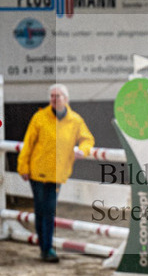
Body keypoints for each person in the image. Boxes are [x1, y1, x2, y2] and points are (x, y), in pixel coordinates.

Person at [17, 84, 94, 263]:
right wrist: (23, 167)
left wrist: (83, 150)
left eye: (58, 96)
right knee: (42, 209)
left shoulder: (75, 120)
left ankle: (46, 247)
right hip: (38, 172)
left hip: (58, 173)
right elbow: (28, 143)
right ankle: (46, 248)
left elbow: (87, 138)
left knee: (48, 210)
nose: (54, 99)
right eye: (52, 96)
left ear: (66, 99)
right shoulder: (39, 117)